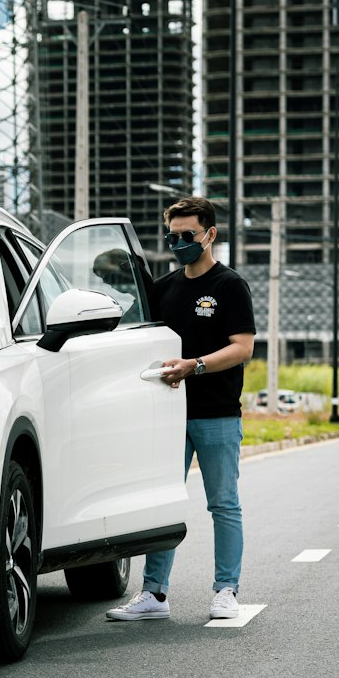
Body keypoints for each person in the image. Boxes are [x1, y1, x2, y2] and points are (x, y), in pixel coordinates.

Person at [107, 195, 256, 624]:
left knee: (223, 504)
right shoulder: (163, 289)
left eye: (187, 235)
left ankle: (226, 590)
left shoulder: (229, 286)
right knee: (161, 503)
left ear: (210, 234)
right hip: (166, 415)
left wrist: (196, 366)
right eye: (172, 236)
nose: (178, 243)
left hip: (216, 413)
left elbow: (242, 348)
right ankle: (154, 594)